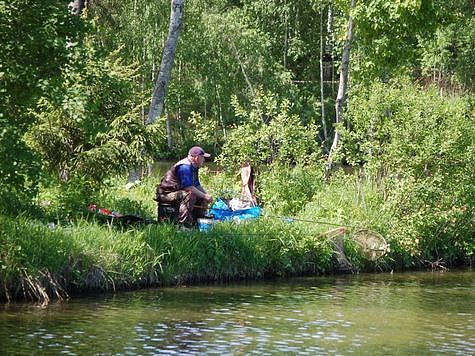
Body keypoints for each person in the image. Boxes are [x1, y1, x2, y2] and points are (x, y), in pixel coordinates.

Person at [156, 146, 213, 228]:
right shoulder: (184, 167)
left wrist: (206, 196)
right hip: (165, 194)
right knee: (189, 195)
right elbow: (188, 187)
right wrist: (204, 196)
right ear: (196, 158)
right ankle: (184, 226)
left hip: (176, 192)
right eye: (202, 157)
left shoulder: (194, 166)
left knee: (201, 197)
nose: (204, 160)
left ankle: (198, 222)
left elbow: (196, 185)